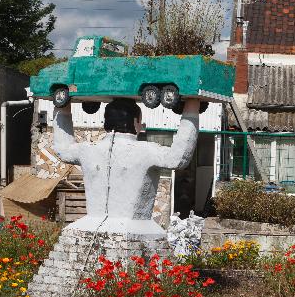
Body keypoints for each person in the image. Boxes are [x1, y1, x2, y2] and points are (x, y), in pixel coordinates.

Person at [52, 97, 200, 236]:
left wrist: (62, 105)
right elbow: (178, 159)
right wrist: (192, 107)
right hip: (136, 233)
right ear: (135, 122)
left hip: (88, 227)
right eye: (140, 121)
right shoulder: (146, 151)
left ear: (106, 122)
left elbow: (63, 149)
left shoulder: (87, 150)